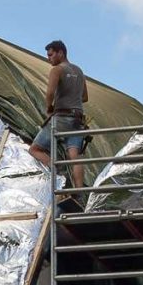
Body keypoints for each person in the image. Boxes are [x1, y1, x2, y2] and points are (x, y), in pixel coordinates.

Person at [44, 39, 90, 194]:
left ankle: (59, 170)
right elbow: (85, 97)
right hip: (78, 118)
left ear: (60, 53)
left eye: (50, 55)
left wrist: (49, 108)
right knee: (75, 156)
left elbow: (49, 93)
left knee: (35, 149)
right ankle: (79, 193)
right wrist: (72, 97)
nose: (48, 58)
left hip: (62, 117)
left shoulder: (57, 70)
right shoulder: (79, 71)